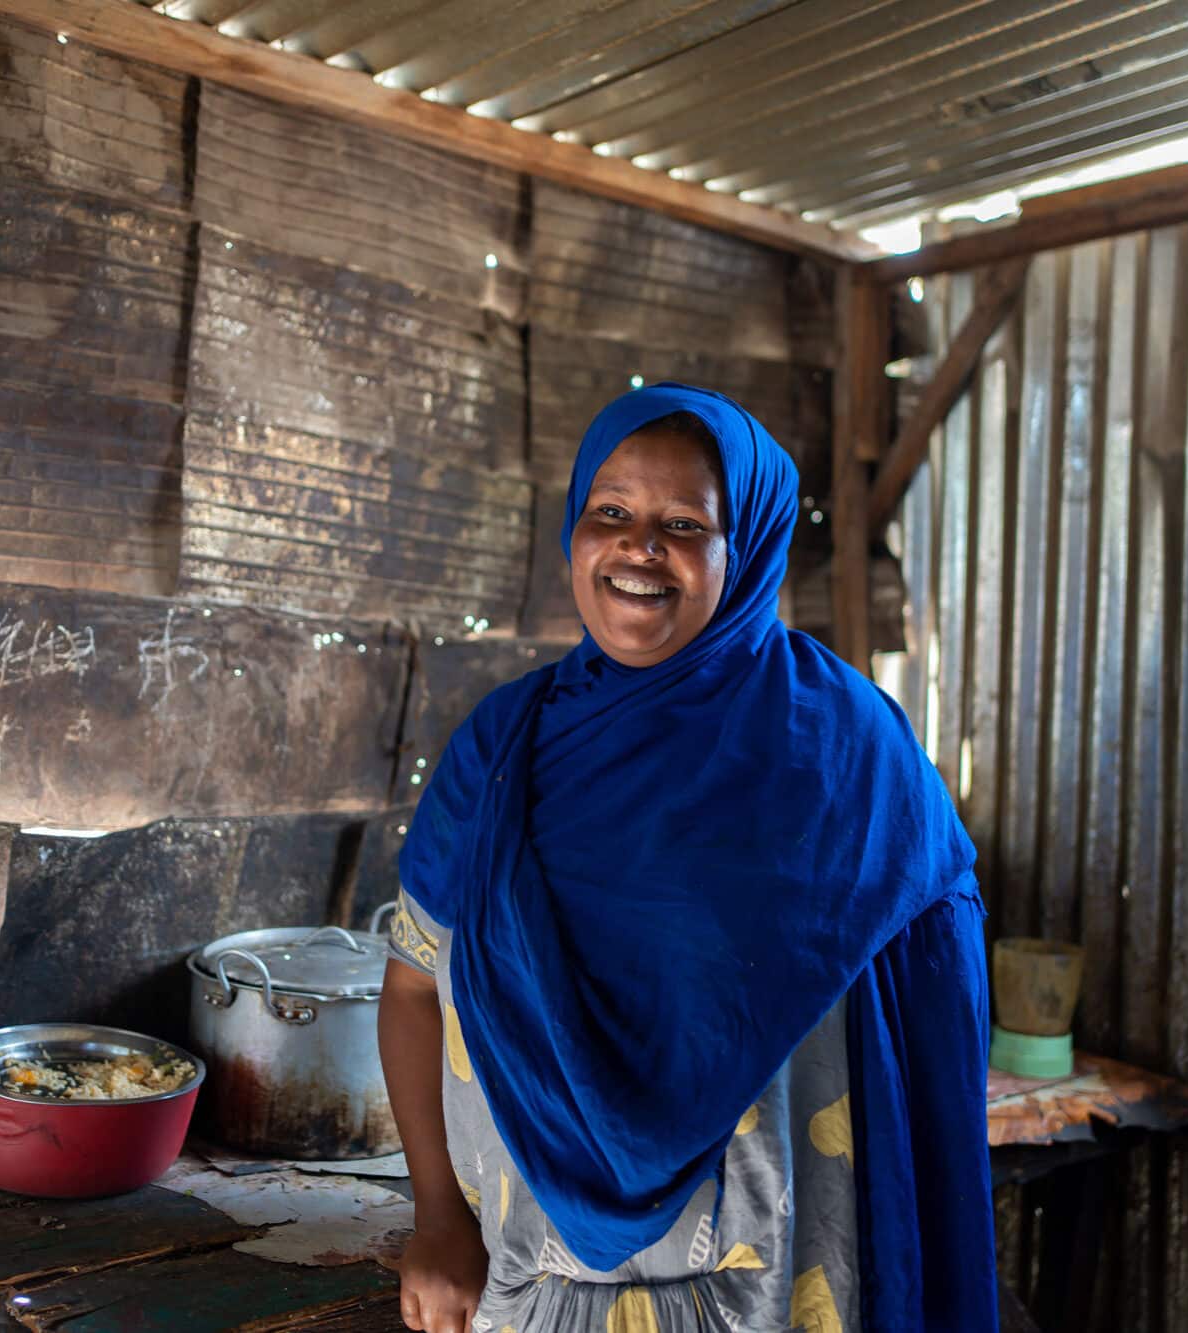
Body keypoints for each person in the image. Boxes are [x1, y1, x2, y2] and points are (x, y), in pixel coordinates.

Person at [379, 383, 997, 1333]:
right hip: (535, 1289)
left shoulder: (841, 746)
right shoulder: (502, 750)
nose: (639, 546)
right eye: (611, 513)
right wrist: (434, 1215)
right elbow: (413, 989)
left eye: (684, 523)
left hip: (782, 1287)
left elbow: (932, 977)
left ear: (742, 546)